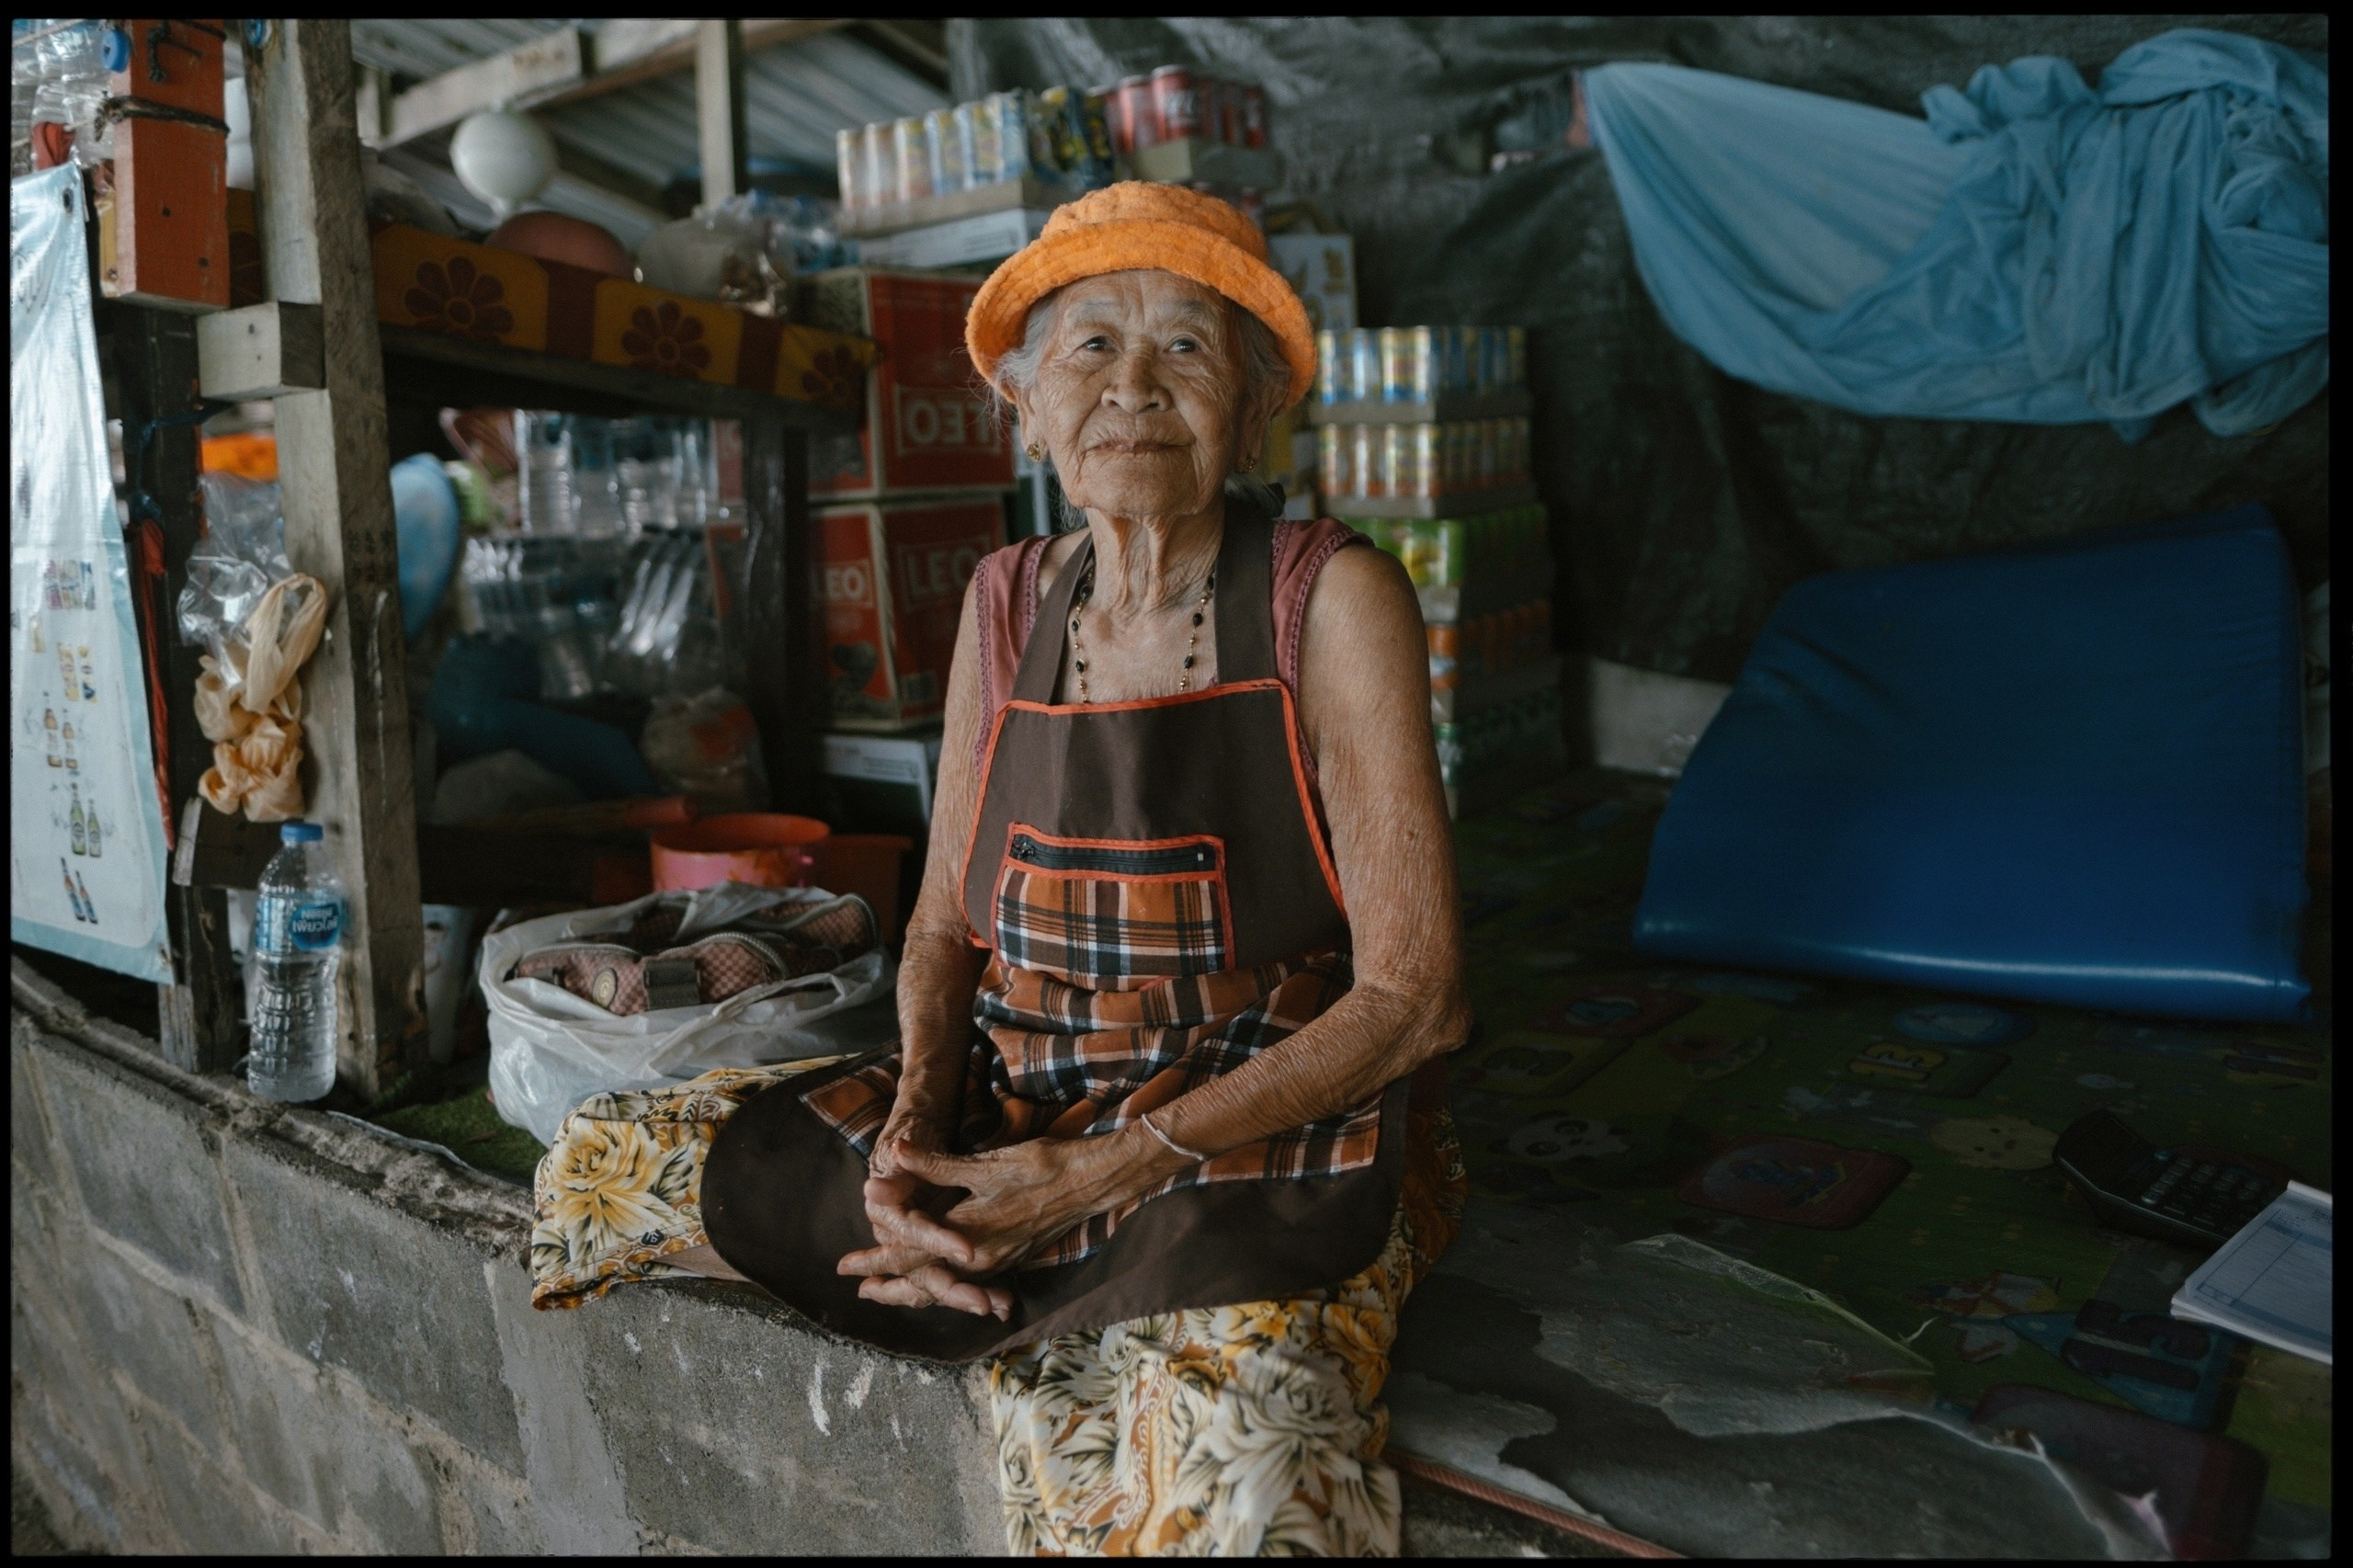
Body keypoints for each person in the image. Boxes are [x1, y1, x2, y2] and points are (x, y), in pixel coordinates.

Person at [527, 181, 1470, 1556]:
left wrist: (1094, 1180)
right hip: (1016, 1087)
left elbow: (1418, 997)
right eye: (1090, 345)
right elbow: (944, 927)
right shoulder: (1006, 596)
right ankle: (994, 1268)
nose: (1134, 387)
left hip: (1254, 1109)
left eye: (1187, 348)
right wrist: (919, 1125)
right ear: (1022, 405)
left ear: (1258, 405)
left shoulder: (1331, 599)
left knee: (1243, 1472)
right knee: (609, 1161)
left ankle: (1065, 1304)